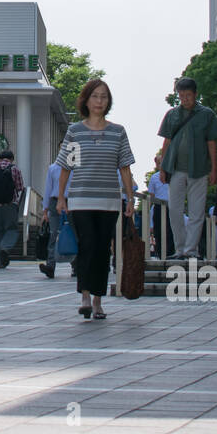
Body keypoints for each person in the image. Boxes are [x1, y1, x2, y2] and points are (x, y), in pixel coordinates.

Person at [55, 79, 135, 320]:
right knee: (87, 246)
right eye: (95, 96)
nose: (100, 101)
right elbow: (67, 168)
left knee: (102, 250)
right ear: (86, 100)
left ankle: (99, 300)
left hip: (108, 202)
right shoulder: (75, 131)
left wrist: (130, 198)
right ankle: (85, 297)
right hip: (80, 200)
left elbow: (124, 168)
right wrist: (61, 197)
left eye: (104, 97)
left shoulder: (117, 131)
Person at [157, 77, 217, 260]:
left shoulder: (206, 114)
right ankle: (180, 249)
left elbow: (211, 142)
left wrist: (214, 168)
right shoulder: (172, 114)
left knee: (196, 211)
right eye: (181, 95)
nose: (184, 99)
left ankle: (191, 250)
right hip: (175, 168)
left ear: (195, 94)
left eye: (188, 95)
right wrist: (162, 168)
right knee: (174, 210)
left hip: (199, 168)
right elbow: (166, 141)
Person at [0, 149, 25, 269]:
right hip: (10, 204)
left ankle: (0, 261)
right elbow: (20, 187)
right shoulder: (15, 169)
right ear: (12, 159)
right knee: (11, 229)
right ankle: (5, 248)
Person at [39, 159, 75, 278]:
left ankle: (76, 265)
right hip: (55, 203)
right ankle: (50, 266)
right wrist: (45, 210)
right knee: (54, 233)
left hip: (72, 202)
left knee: (73, 233)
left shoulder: (76, 167)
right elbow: (48, 188)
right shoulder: (53, 168)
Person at [145, 153, 173, 257]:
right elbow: (151, 195)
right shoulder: (154, 178)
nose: (161, 165)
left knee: (171, 229)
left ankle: (171, 252)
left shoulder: (172, 176)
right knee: (158, 230)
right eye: (159, 163)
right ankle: (160, 252)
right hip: (158, 206)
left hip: (171, 206)